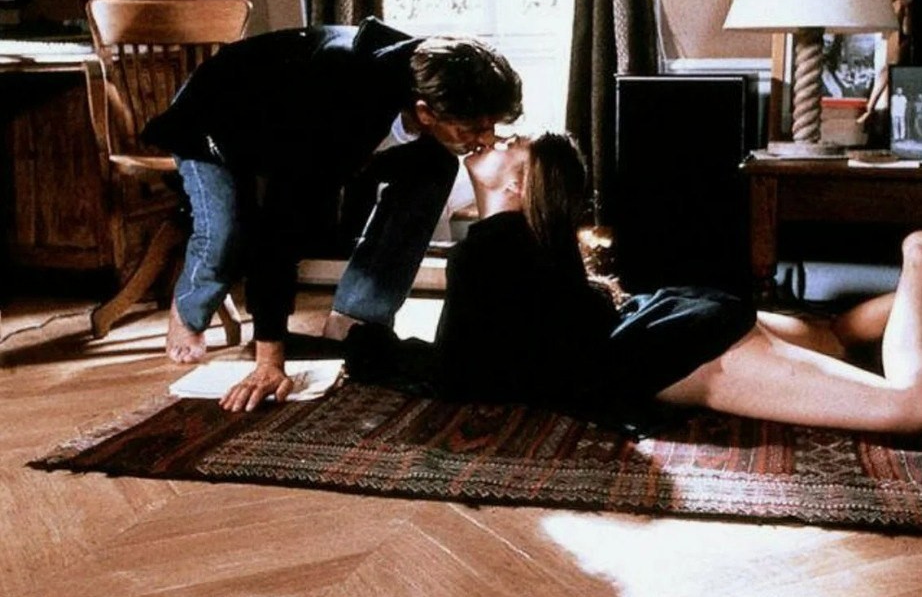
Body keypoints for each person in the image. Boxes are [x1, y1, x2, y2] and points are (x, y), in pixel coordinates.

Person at [281, 131, 922, 436]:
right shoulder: (534, 245)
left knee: (906, 407)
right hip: (672, 323)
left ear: (517, 184)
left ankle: (916, 261)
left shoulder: (488, 253)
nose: (493, 138)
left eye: (509, 142)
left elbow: (458, 374)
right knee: (838, 336)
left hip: (684, 354)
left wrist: (368, 349)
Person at [142, 17, 522, 399]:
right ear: (425, 112)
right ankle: (188, 311)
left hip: (297, 113)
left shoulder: (436, 71)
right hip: (213, 115)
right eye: (473, 129)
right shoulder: (337, 104)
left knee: (435, 166)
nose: (486, 139)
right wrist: (269, 361)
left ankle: (355, 321)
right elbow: (277, 228)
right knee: (226, 232)